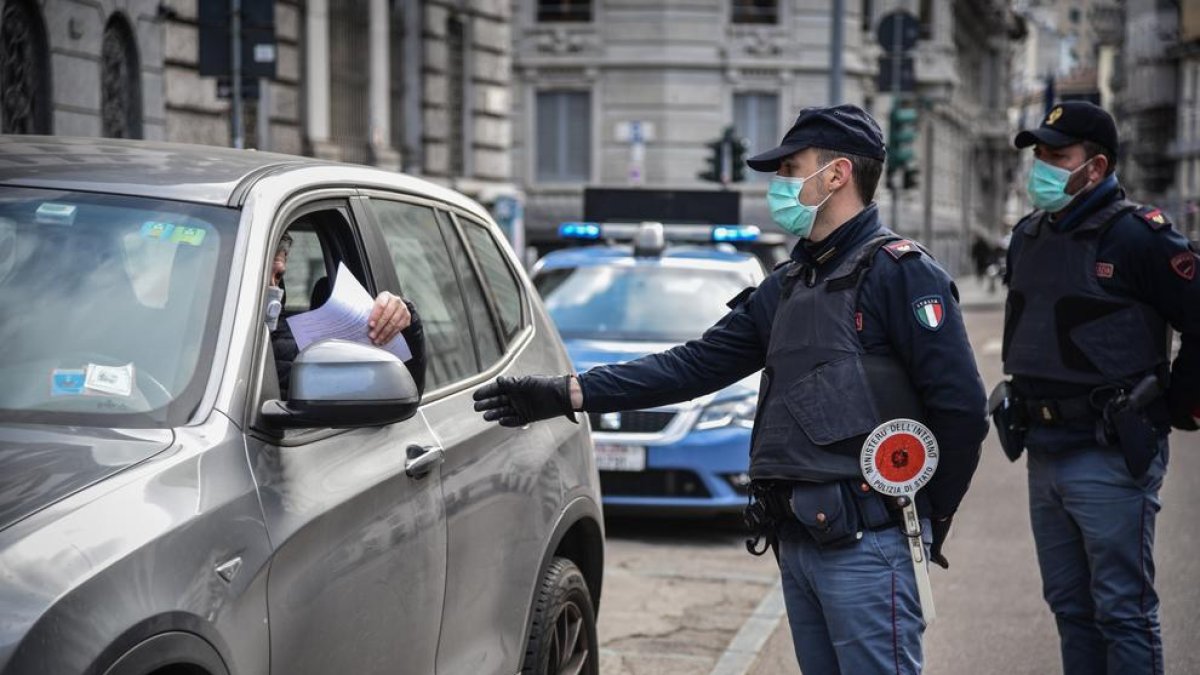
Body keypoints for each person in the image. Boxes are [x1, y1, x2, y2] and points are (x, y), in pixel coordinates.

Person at [473, 105, 988, 673]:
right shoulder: (790, 283)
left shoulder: (901, 272)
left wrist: (922, 519)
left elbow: (962, 409)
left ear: (837, 175)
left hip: (868, 547)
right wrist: (567, 393)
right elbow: (693, 365)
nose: (779, 184)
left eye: (792, 168)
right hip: (799, 540)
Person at [996, 100, 1200, 675]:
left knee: (1123, 612)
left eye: (1057, 156)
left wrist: (1175, 406)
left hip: (1110, 453)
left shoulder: (1140, 238)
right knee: (1070, 607)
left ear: (1097, 165)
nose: (1042, 165)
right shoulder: (1029, 235)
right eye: (1039, 154)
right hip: (1044, 450)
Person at [268, 231, 425, 398]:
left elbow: (404, 390)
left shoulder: (296, 341)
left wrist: (403, 322)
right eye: (260, 274)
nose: (271, 286)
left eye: (278, 276)